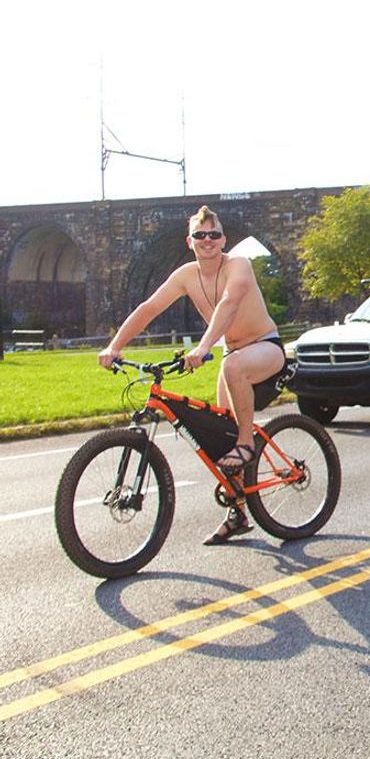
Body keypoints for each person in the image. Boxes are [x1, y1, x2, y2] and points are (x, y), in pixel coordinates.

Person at [98, 205, 286, 545]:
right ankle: (237, 512)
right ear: (190, 241)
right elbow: (149, 308)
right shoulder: (186, 275)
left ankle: (247, 443)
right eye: (201, 235)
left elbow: (229, 304)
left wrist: (202, 348)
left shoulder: (237, 265)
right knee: (220, 430)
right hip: (234, 354)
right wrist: (115, 346)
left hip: (265, 347)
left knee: (232, 369)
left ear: (224, 239)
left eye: (214, 235)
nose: (208, 241)